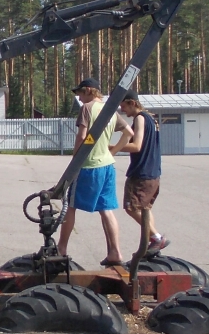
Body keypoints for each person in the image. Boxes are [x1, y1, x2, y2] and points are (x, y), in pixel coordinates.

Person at [57, 78, 130, 266]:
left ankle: (62, 248)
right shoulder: (110, 110)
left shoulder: (87, 108)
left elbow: (82, 137)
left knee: (69, 206)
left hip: (88, 166)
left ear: (89, 90)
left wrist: (75, 162)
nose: (79, 98)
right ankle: (115, 252)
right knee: (106, 209)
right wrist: (112, 152)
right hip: (107, 167)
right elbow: (128, 133)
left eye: (80, 93)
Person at [111, 89, 168, 254]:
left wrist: (110, 147)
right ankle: (152, 243)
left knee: (132, 208)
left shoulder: (140, 118)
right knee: (145, 209)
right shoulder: (151, 118)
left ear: (132, 103)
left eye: (124, 106)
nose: (122, 110)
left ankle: (156, 238)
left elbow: (137, 146)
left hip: (141, 173)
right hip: (153, 173)